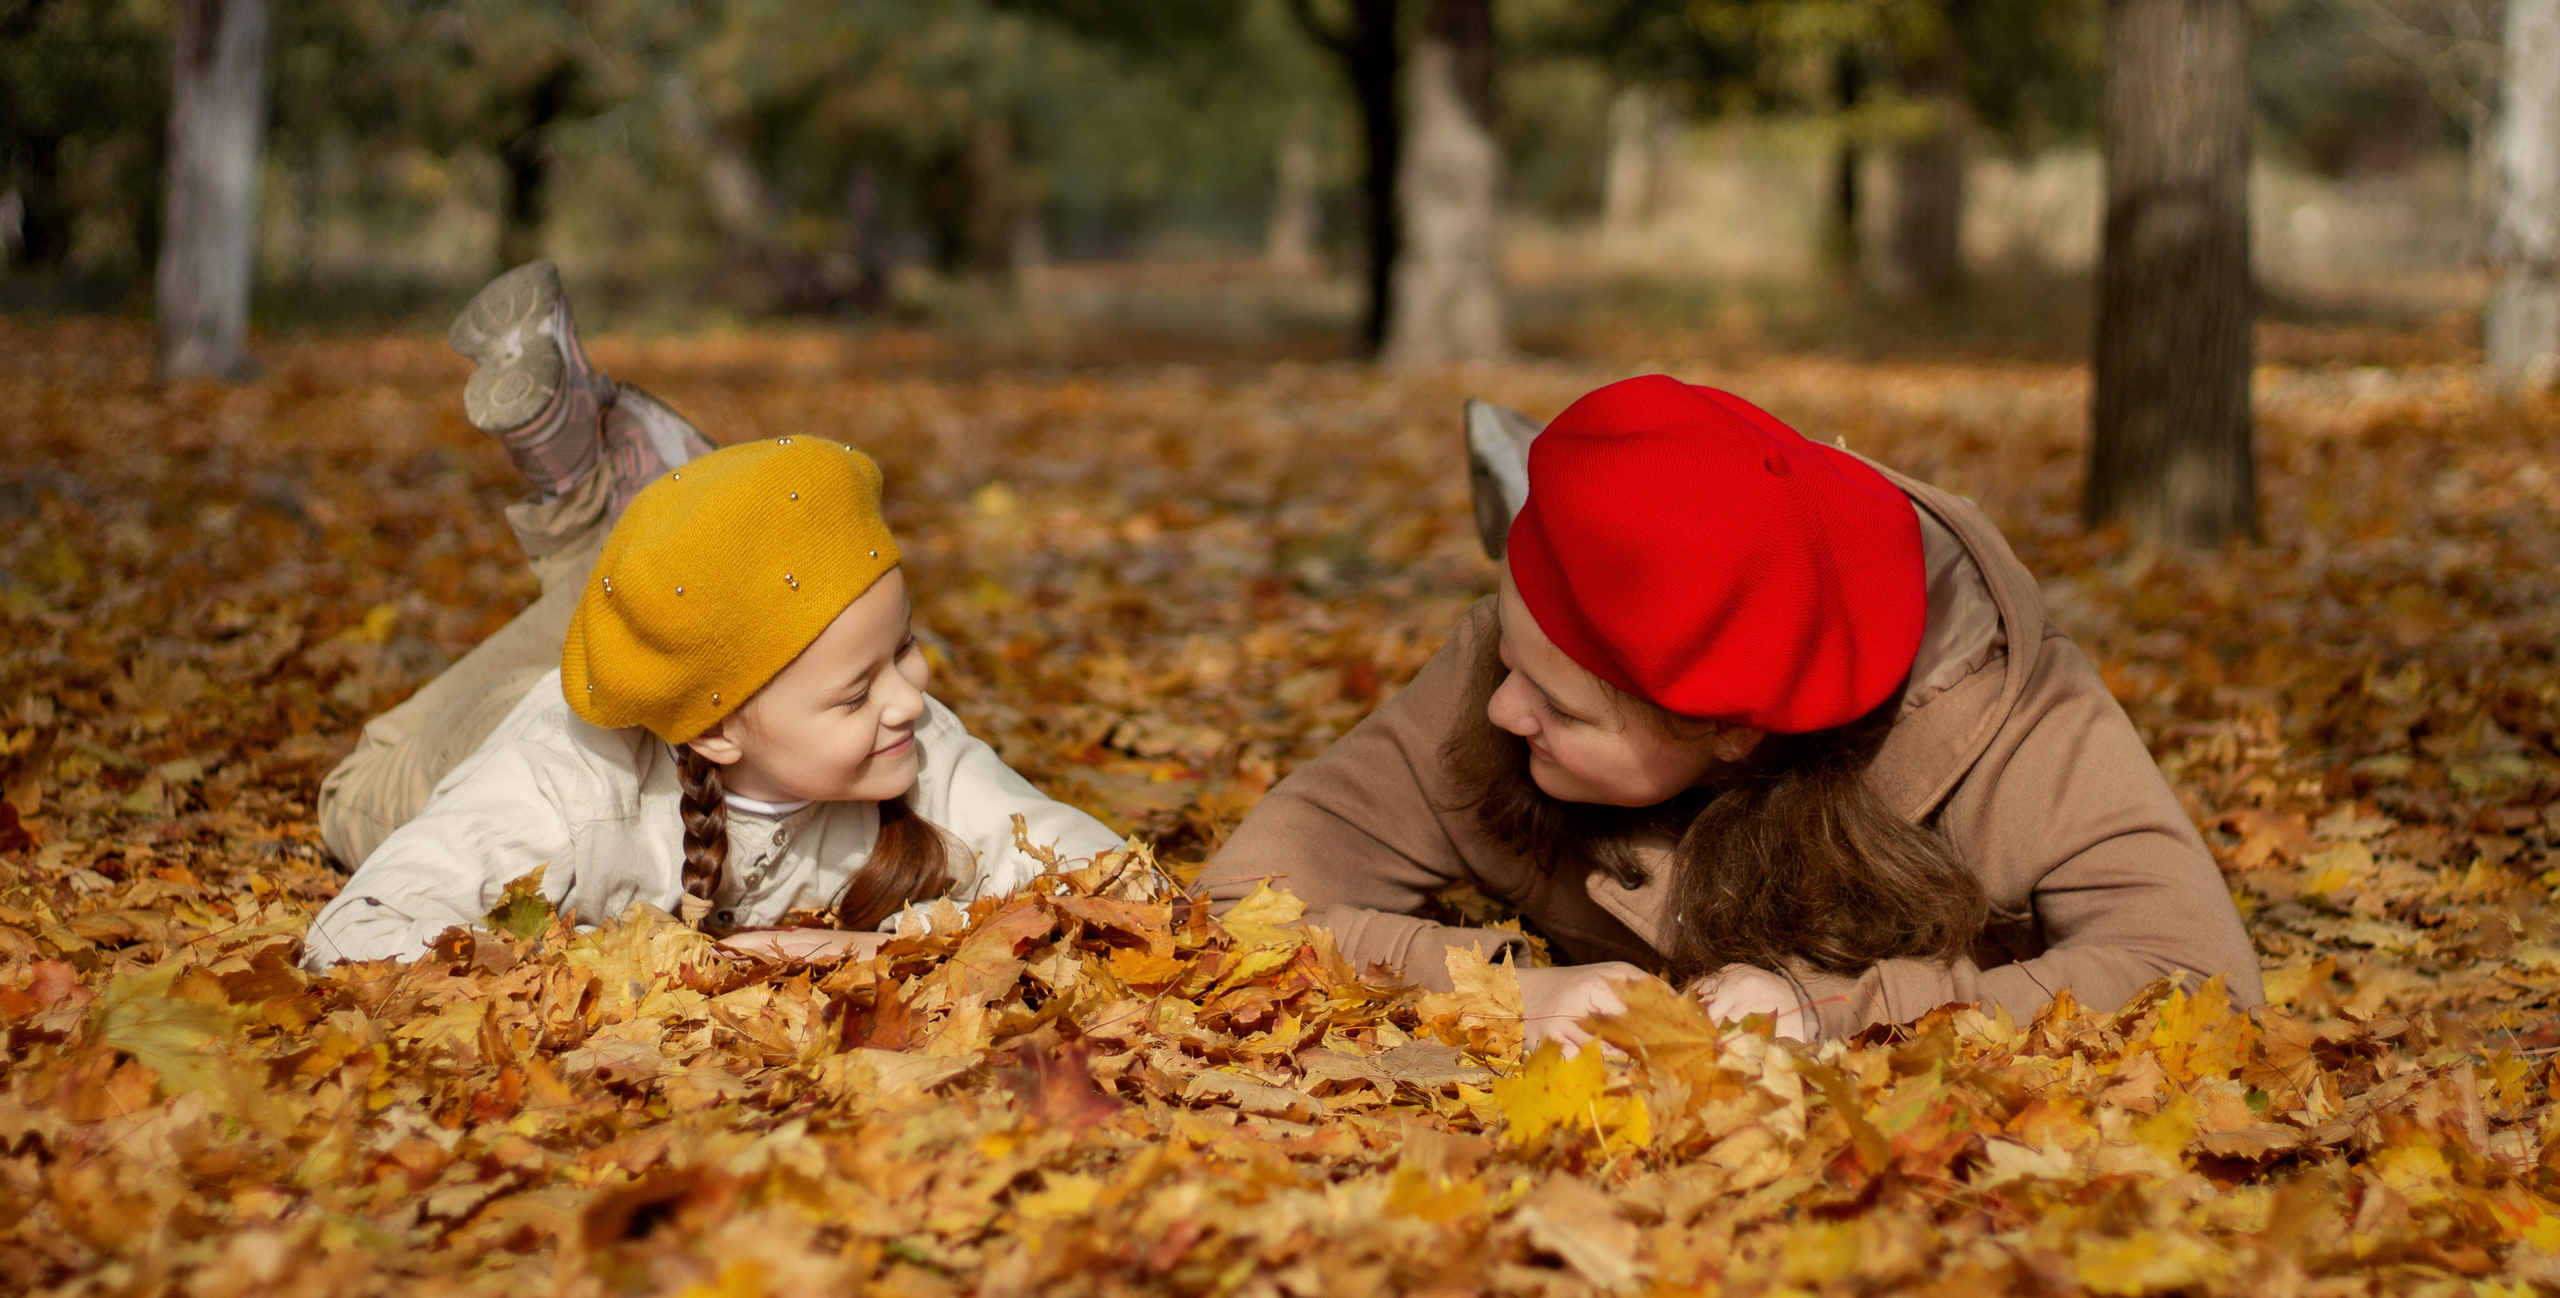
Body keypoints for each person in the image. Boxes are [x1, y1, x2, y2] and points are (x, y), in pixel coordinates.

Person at [1195, 375, 2261, 1050]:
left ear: (1732, 732)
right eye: (1510, 653)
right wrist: (1497, 992)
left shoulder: (2008, 708)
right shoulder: (1504, 674)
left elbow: (2195, 972)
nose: (1506, 708)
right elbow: (1235, 905)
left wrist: (1842, 1013)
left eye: (1563, 708)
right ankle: (1543, 478)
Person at [304, 262, 1120, 967]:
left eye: (902, 649)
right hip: (493, 729)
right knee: (352, 789)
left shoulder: (907, 739)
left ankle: (635, 515)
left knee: (655, 603)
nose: (911, 694)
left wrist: (875, 949)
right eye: (856, 690)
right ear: (722, 728)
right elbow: (358, 932)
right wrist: (655, 961)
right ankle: (618, 516)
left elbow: (1118, 886)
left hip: (680, 669)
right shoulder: (566, 790)